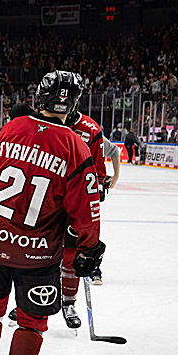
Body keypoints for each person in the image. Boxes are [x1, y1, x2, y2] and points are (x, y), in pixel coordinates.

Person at [0, 70, 104, 355]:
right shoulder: (75, 146)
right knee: (32, 321)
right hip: (37, 252)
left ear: (40, 98)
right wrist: (89, 247)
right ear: (73, 104)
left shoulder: (10, 128)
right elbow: (86, 210)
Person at [61, 81, 106, 331]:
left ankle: (68, 303)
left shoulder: (90, 129)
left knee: (72, 254)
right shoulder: (47, 124)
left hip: (77, 202)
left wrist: (97, 187)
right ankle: (36, 299)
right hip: (49, 198)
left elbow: (98, 166)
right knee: (41, 252)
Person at [91, 137, 122, 286]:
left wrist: (116, 176)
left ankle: (93, 268)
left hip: (90, 189)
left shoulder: (91, 133)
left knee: (89, 229)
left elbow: (114, 150)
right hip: (69, 188)